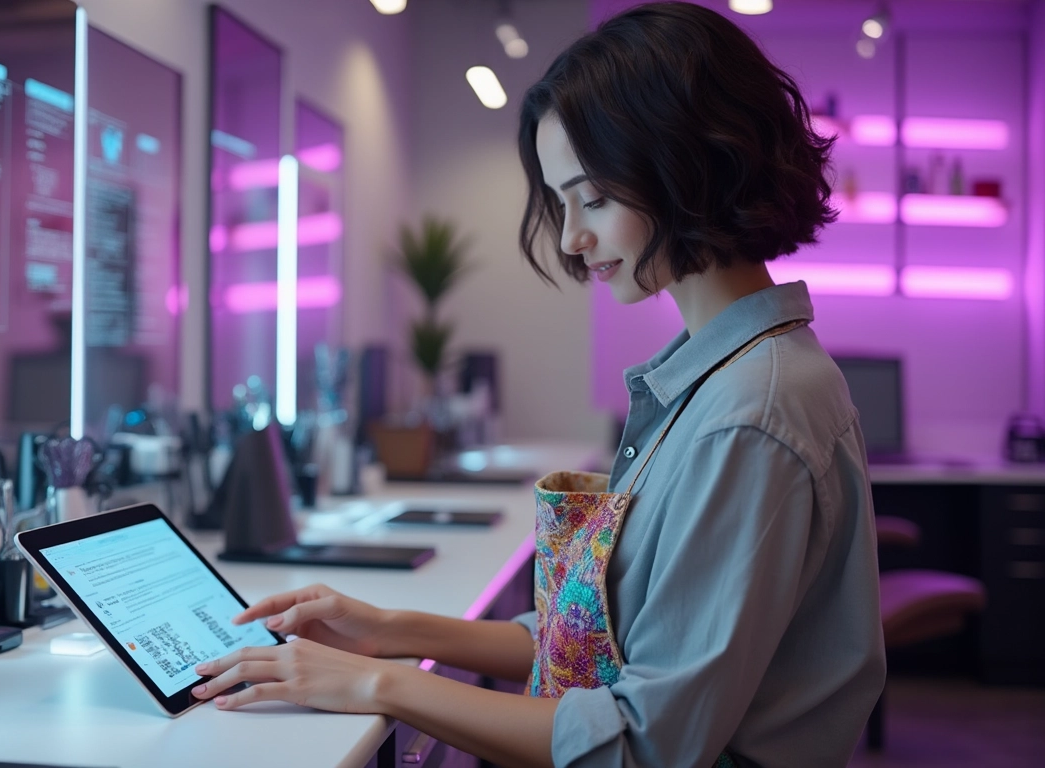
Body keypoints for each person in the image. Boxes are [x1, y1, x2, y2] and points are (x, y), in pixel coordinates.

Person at [192, 3, 886, 766]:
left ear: (688, 163)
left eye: (594, 198)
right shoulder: (722, 381)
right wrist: (386, 631)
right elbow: (600, 646)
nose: (572, 237)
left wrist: (375, 684)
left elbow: (646, 743)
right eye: (562, 203)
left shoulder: (748, 413)